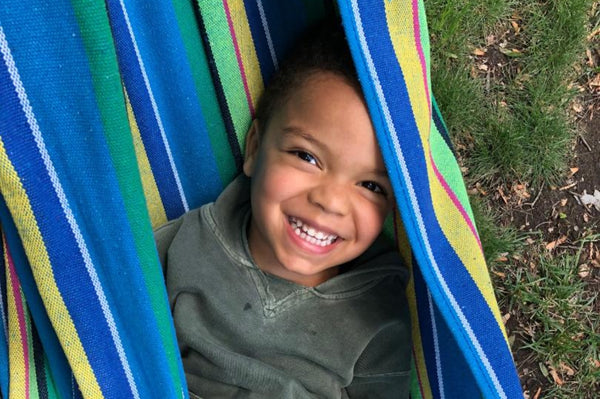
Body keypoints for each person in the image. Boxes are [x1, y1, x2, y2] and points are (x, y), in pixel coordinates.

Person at [155, 20, 411, 398]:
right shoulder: (184, 246)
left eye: (371, 186)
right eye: (307, 157)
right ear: (255, 149)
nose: (331, 201)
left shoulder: (380, 318)